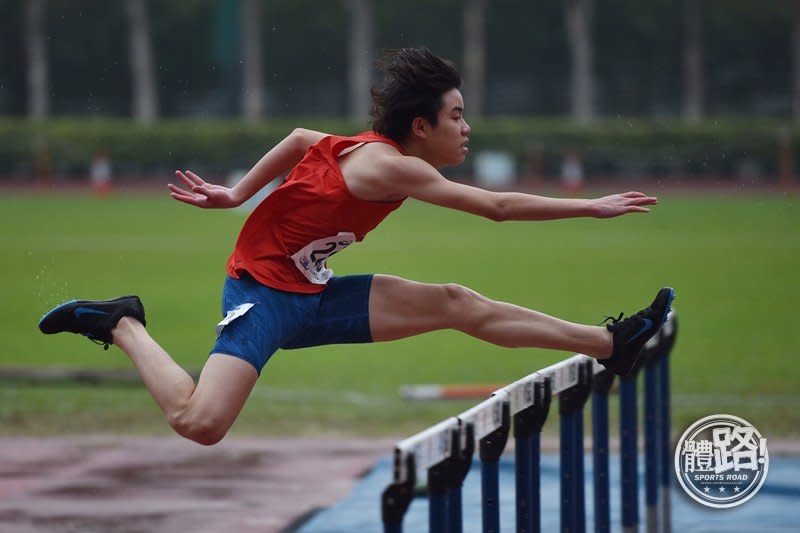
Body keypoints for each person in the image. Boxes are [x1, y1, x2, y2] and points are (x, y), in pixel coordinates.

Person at [39, 48, 674, 446]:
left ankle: (609, 344)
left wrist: (237, 195)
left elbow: (295, 139)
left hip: (311, 289)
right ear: (419, 127)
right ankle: (123, 322)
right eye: (456, 115)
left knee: (455, 300)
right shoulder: (397, 168)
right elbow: (498, 208)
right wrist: (591, 205)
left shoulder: (371, 151)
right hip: (263, 293)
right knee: (200, 424)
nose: (467, 126)